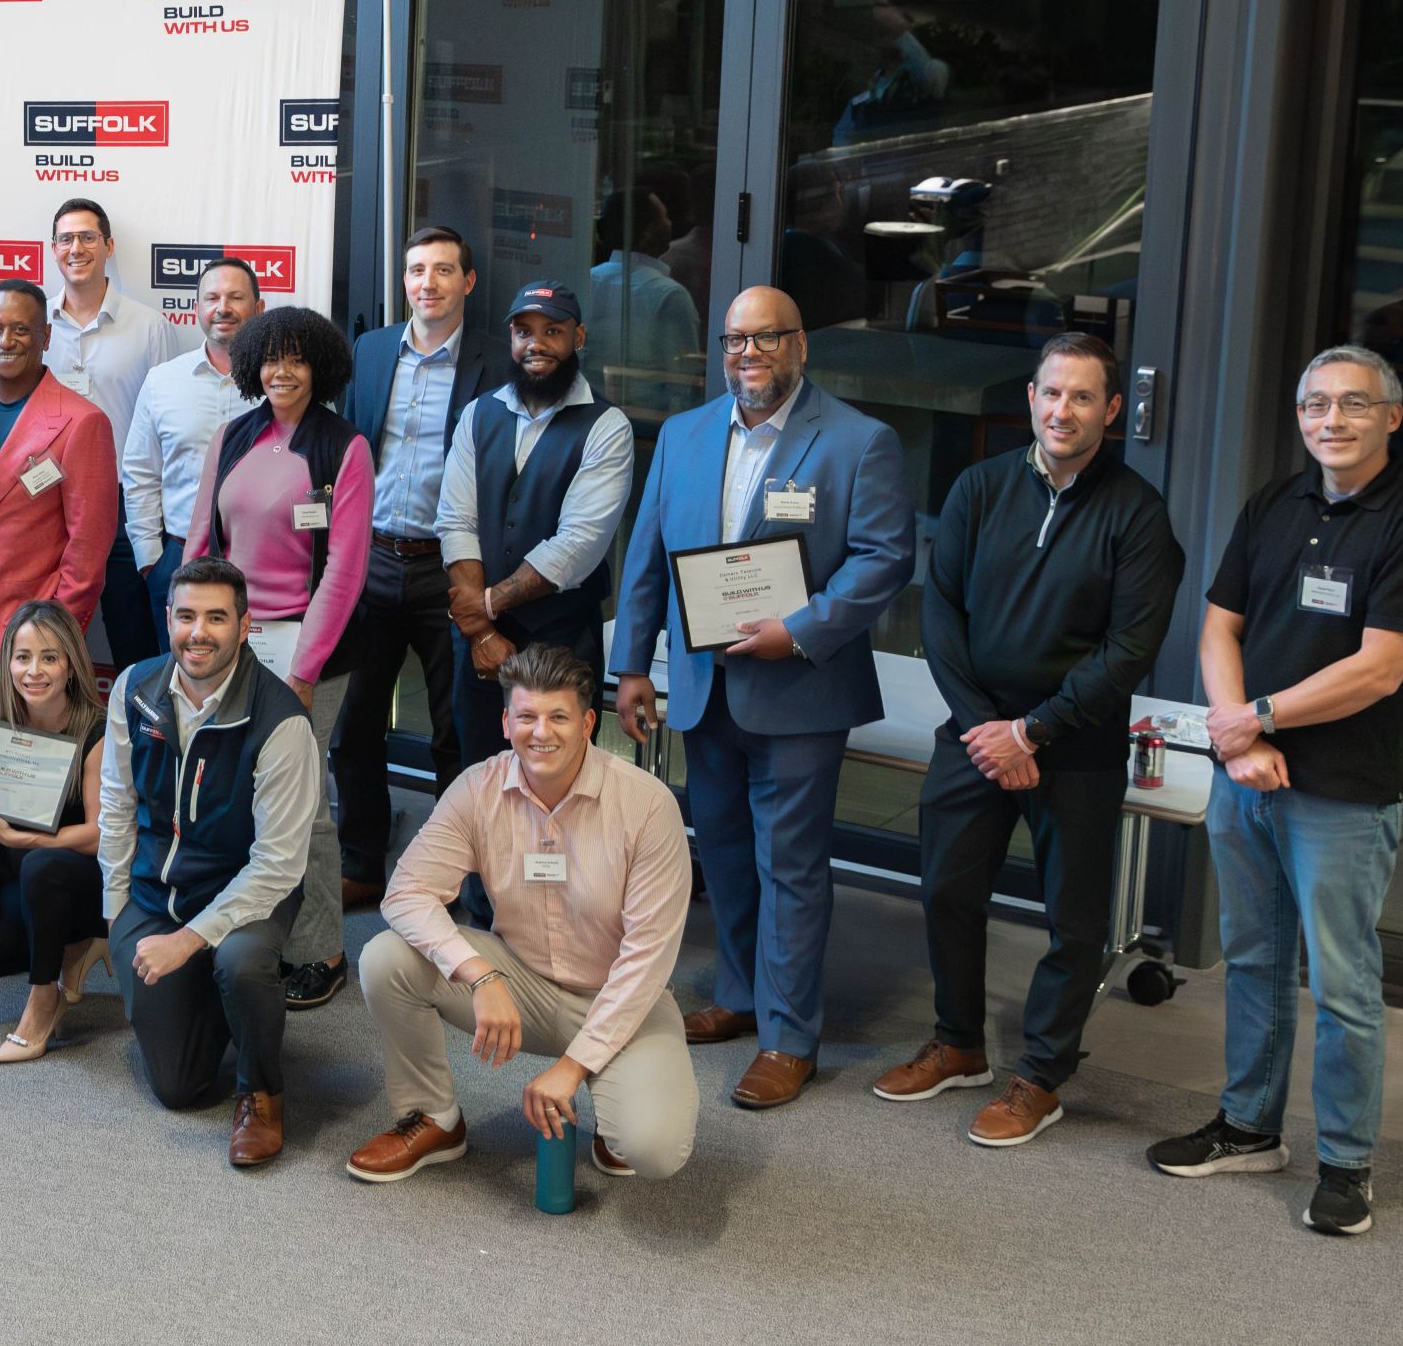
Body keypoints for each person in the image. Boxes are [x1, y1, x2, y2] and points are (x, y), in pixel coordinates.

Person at [1148, 346, 1403, 1238]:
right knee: (1255, 963)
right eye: (1315, 405)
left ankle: (1348, 1166)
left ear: (1392, 416)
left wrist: (1257, 718)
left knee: (1342, 982)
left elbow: (1381, 669)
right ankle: (1248, 1129)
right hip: (1249, 777)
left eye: (1353, 405)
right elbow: (1218, 626)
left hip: (1343, 792)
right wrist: (1239, 736)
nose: (1331, 421)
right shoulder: (1276, 502)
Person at [610, 286, 913, 1111]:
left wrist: (803, 627)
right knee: (729, 855)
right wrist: (633, 665)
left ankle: (789, 1037)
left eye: (767, 339)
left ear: (800, 346)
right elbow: (646, 557)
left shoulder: (858, 441)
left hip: (800, 689)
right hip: (706, 689)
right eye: (736, 340)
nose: (750, 354)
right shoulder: (683, 434)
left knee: (791, 867)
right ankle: (740, 996)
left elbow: (884, 559)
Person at [890, 334, 1181, 1145]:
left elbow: (1129, 651)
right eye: (1053, 393)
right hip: (975, 733)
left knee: (1075, 921)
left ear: (1112, 411)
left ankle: (1042, 1077)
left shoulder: (1138, 515)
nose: (1063, 411)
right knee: (948, 889)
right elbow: (940, 612)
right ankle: (958, 1045)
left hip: (1076, 745)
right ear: (1030, 397)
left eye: (1083, 397)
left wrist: (1032, 730)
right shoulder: (979, 489)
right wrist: (988, 729)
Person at [348, 645, 696, 1185]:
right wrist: (479, 974)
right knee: (385, 958)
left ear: (586, 723)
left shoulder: (648, 806)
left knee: (652, 1150)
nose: (542, 732)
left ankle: (613, 1110)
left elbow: (648, 957)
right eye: (528, 716)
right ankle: (434, 1119)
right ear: (506, 721)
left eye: (558, 717)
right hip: (517, 982)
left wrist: (572, 1066)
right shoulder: (478, 788)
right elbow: (406, 892)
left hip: (620, 995)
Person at [98, 558, 317, 1167]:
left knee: (242, 964)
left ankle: (262, 1092)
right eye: (187, 615)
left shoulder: (282, 722)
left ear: (245, 626)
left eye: (217, 618)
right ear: (168, 619)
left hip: (244, 891)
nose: (199, 632)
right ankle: (219, 1000)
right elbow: (117, 804)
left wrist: (188, 941)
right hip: (154, 891)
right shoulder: (134, 689)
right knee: (180, 1087)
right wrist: (116, 914)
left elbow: (277, 864)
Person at [184, 305, 370, 1009]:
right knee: (231, 790)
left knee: (305, 805)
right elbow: (202, 543)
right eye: (269, 358)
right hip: (233, 639)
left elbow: (344, 571)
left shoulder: (342, 447)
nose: (280, 371)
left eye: (295, 358)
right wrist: (199, 631)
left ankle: (322, 947)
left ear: (318, 366)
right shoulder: (232, 438)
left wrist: (302, 672)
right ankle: (235, 928)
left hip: (307, 648)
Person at [330, 226, 514, 904]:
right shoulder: (373, 350)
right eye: (415, 271)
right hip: (373, 560)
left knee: (456, 731)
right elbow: (350, 454)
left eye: (442, 270)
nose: (427, 283)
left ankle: (457, 872)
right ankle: (361, 862)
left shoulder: (498, 364)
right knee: (355, 726)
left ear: (467, 282)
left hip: (453, 573)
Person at [433, 281, 636, 771]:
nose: (536, 344)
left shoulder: (608, 426)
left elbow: (577, 545)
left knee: (556, 778)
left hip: (563, 637)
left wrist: (481, 607)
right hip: (481, 645)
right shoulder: (479, 414)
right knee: (478, 774)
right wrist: (482, 634)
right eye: (524, 332)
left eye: (552, 331)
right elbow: (456, 520)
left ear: (579, 337)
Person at [0, 601, 109, 1062]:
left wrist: (25, 840)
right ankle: (70, 947)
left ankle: (43, 999)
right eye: (22, 657)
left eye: (49, 658)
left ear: (71, 664)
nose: (34, 671)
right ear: (6, 662)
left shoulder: (96, 730)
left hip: (87, 888)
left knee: (42, 863)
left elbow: (98, 835)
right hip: (26, 884)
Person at [0, 280, 116, 725]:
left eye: (20, 330)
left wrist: (52, 637)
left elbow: (88, 550)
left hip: (32, 646)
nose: (5, 341)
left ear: (45, 336)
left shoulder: (82, 423)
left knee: (27, 781)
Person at [42, 198, 190, 665]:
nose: (76, 248)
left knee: (135, 642)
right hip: (51, 502)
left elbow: (170, 424)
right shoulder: (34, 323)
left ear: (108, 245)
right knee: (48, 639)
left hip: (128, 506)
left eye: (88, 237)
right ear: (53, 249)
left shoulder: (150, 327)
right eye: (66, 238)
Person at [122, 256, 263, 656]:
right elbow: (140, 472)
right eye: (212, 298)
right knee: (177, 686)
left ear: (259, 308)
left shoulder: (282, 381)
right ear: (196, 309)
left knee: (253, 690)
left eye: (236, 297)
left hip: (261, 565)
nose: (223, 308)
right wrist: (151, 560)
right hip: (177, 559)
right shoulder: (163, 381)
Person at [585, 188, 703, 415]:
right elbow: (684, 381)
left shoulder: (588, 280)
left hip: (587, 415)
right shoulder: (669, 294)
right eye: (664, 217)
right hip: (646, 422)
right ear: (649, 231)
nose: (670, 223)